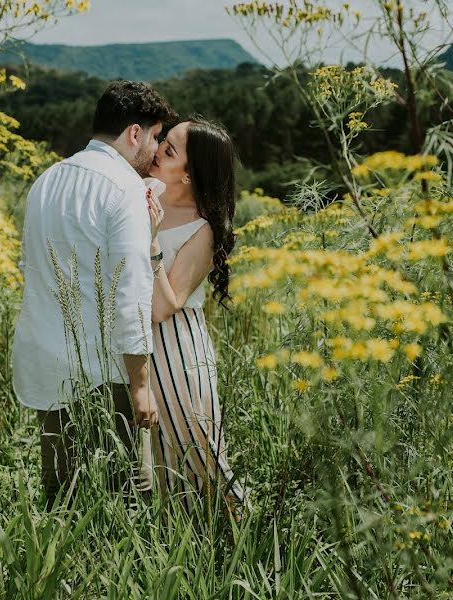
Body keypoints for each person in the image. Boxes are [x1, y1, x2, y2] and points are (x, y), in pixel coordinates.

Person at [11, 80, 176, 507]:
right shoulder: (124, 190)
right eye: (155, 137)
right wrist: (140, 385)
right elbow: (132, 292)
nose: (156, 150)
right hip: (106, 372)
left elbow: (31, 267)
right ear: (133, 133)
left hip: (48, 361)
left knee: (60, 495)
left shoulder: (46, 180)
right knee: (128, 495)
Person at [144, 118, 247, 509]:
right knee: (154, 463)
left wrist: (150, 239)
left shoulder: (202, 229)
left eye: (169, 151)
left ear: (190, 176)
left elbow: (163, 305)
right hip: (138, 347)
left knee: (199, 459)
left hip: (176, 350)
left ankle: (238, 546)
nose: (156, 151)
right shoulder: (143, 192)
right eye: (162, 142)